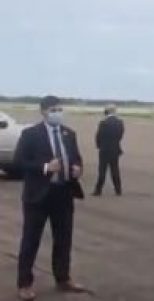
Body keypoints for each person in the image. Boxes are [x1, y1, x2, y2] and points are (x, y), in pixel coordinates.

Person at [14, 96, 87, 300]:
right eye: (54, 109)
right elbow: (19, 162)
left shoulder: (68, 134)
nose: (58, 113)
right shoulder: (30, 134)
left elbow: (76, 157)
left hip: (63, 194)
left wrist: (77, 169)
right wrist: (45, 168)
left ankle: (63, 278)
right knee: (31, 240)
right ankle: (24, 283)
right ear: (44, 112)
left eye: (60, 109)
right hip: (38, 196)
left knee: (64, 240)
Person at [93, 104, 125, 196]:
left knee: (102, 170)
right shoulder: (120, 122)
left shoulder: (103, 122)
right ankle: (118, 190)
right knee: (115, 170)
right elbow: (120, 135)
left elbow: (98, 136)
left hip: (104, 150)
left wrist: (100, 146)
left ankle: (98, 190)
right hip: (115, 149)